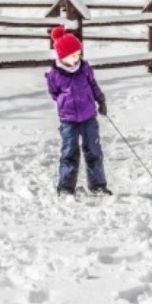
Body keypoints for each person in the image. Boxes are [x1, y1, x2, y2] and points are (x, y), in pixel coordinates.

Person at [46, 26, 112, 196]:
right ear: (63, 56)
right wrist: (64, 102)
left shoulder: (84, 68)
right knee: (69, 152)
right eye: (74, 54)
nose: (78, 57)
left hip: (89, 116)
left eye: (79, 53)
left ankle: (98, 185)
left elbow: (93, 85)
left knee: (93, 150)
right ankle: (66, 187)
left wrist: (100, 100)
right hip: (68, 120)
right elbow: (54, 93)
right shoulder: (55, 74)